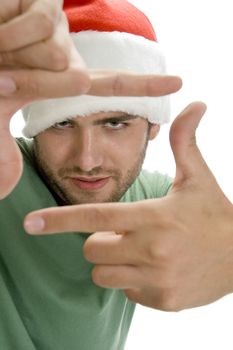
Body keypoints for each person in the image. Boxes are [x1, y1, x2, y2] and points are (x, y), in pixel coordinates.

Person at [0, 1, 232, 350]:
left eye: (114, 123)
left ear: (153, 124)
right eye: (62, 122)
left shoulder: (153, 198)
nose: (88, 160)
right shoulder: (6, 172)